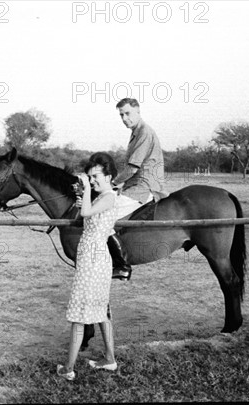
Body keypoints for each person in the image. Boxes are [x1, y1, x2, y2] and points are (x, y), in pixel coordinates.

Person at [57, 152, 119, 381]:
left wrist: (86, 190)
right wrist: (86, 196)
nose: (92, 180)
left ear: (109, 176)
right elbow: (85, 214)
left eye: (96, 177)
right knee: (101, 312)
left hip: (93, 260)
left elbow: (85, 213)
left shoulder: (109, 196)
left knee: (79, 316)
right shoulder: (101, 196)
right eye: (90, 177)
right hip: (93, 258)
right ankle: (110, 360)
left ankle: (68, 369)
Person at [107, 97, 166, 281]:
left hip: (144, 187)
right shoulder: (136, 133)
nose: (124, 118)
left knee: (104, 217)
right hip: (135, 185)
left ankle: (123, 266)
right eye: (121, 115)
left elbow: (132, 168)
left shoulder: (144, 132)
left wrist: (112, 184)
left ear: (138, 112)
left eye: (127, 113)